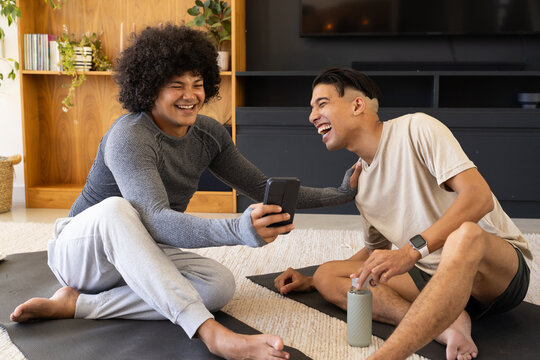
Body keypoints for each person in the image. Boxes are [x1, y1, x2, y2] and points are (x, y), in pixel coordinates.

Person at [10, 27, 360, 360]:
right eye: (177, 85)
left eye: (197, 84)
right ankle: (211, 334)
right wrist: (239, 230)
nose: (191, 96)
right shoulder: (129, 136)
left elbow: (259, 187)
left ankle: (76, 306)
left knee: (218, 285)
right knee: (118, 209)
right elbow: (158, 220)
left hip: (141, 254)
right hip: (83, 254)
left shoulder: (208, 134)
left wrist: (342, 193)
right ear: (148, 89)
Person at [274, 67, 532, 360]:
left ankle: (388, 355)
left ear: (357, 105)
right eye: (312, 108)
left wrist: (411, 252)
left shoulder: (417, 129)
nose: (312, 116)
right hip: (432, 279)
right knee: (327, 275)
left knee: (466, 235)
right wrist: (311, 280)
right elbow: (375, 255)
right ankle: (445, 325)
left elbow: (479, 197)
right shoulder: (362, 186)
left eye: (322, 104)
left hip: (495, 274)